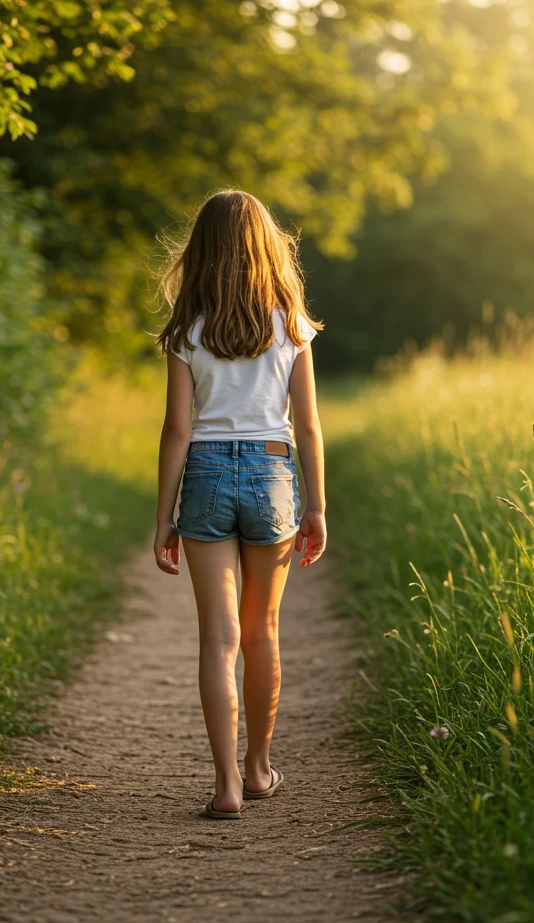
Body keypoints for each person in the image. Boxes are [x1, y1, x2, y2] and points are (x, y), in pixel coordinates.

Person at [152, 189, 327, 820]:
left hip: (203, 473)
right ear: (267, 248)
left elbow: (178, 429)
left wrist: (164, 517)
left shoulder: (187, 331)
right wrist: (317, 507)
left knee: (218, 639)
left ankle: (225, 786)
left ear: (200, 251)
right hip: (272, 472)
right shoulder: (291, 324)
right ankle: (258, 770)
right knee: (262, 632)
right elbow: (307, 426)